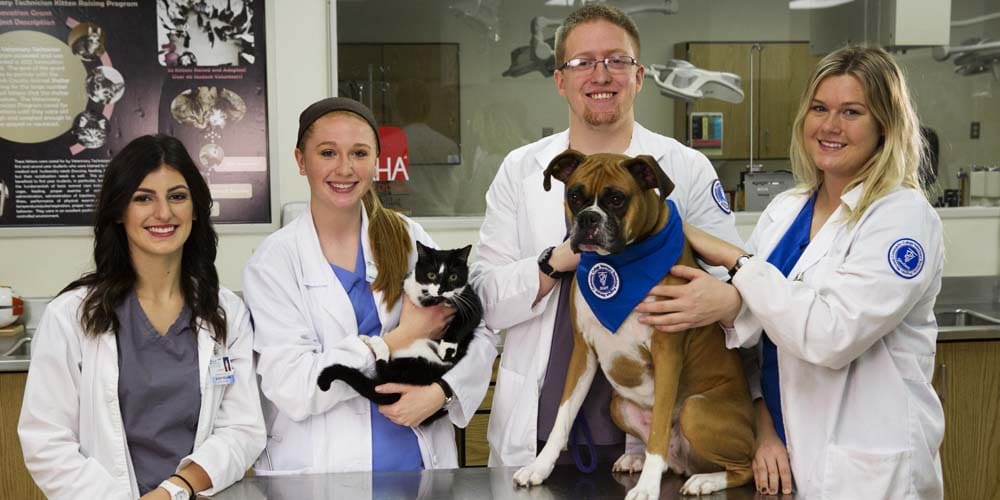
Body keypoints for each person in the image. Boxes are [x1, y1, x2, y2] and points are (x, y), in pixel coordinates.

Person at [640, 45, 945, 498]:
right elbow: (764, 344)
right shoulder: (786, 209)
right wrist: (764, 428)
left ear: (885, 125)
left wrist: (736, 266)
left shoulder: (902, 217)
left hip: (865, 469)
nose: (830, 126)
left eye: (852, 112)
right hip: (782, 453)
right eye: (820, 108)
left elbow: (831, 335)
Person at [472, 3, 744, 469]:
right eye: (582, 63)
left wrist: (727, 301)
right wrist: (554, 262)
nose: (601, 75)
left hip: (660, 435)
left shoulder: (685, 168)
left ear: (638, 76)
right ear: (560, 80)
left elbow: (739, 289)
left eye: (617, 61)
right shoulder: (521, 170)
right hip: (539, 424)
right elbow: (484, 297)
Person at [244, 97, 497, 474]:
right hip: (320, 473)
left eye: (359, 153)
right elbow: (295, 386)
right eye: (327, 152)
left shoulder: (410, 238)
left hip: (417, 462)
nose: (344, 168)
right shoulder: (274, 263)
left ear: (377, 160)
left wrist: (440, 392)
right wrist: (395, 339)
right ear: (301, 160)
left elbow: (479, 329)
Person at [18, 134, 266, 499]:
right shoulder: (70, 316)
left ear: (195, 208)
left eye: (177, 196)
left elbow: (242, 429)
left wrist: (174, 490)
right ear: (119, 211)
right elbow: (46, 442)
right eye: (143, 198)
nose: (163, 213)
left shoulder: (225, 313)